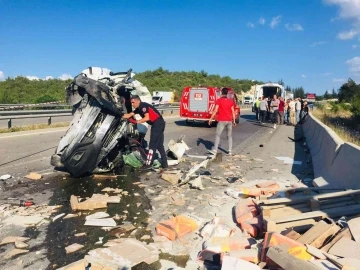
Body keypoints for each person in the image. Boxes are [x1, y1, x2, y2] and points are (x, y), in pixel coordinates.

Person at [122, 95, 168, 169]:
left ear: (138, 101)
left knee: (152, 145)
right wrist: (120, 115)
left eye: (133, 102)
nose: (132, 104)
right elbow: (129, 115)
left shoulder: (143, 106)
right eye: (131, 103)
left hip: (157, 123)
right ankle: (165, 164)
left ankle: (148, 163)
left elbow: (147, 117)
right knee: (159, 145)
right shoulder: (138, 109)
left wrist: (137, 121)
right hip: (160, 123)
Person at [208, 88, 236, 155]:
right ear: (227, 93)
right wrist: (234, 121)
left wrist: (211, 118)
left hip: (222, 121)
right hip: (229, 121)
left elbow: (215, 110)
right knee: (229, 136)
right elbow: (233, 112)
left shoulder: (219, 101)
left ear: (221, 93)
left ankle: (215, 150)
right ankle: (230, 151)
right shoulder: (230, 101)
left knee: (218, 135)